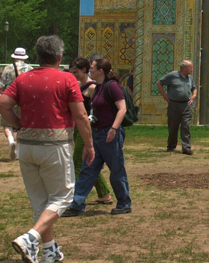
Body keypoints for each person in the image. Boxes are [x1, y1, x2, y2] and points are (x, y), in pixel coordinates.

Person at [0, 36, 94, 263]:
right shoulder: (67, 79)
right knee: (63, 197)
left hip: (27, 148)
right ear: (59, 57)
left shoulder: (23, 80)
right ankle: (30, 238)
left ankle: (49, 251)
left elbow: (4, 103)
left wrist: (18, 124)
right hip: (55, 145)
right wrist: (89, 144)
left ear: (38, 56)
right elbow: (80, 115)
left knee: (41, 202)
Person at [63, 57, 132, 217]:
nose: (90, 70)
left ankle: (124, 202)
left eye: (92, 67)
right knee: (88, 169)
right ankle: (77, 204)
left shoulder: (112, 86)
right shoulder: (99, 87)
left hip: (110, 134)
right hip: (97, 133)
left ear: (100, 70)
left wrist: (114, 129)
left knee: (116, 169)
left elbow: (122, 109)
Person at [68, 58, 113, 205]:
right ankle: (104, 194)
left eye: (76, 72)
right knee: (88, 162)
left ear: (85, 70)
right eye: (71, 72)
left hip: (87, 128)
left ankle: (74, 198)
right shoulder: (77, 85)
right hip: (77, 127)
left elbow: (98, 109)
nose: (73, 74)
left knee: (78, 161)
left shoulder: (92, 87)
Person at [156, 60, 197, 155]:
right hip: (174, 105)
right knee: (173, 126)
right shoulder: (173, 75)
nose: (192, 69)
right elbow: (159, 83)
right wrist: (165, 97)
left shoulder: (190, 78)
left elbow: (194, 87)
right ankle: (171, 145)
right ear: (184, 68)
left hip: (186, 105)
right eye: (190, 67)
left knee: (186, 126)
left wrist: (194, 95)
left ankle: (186, 148)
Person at [0, 47, 33, 161]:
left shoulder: (7, 68)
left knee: (7, 124)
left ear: (14, 56)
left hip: (9, 99)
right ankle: (18, 152)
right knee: (21, 124)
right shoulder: (30, 68)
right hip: (24, 100)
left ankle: (10, 140)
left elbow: (1, 85)